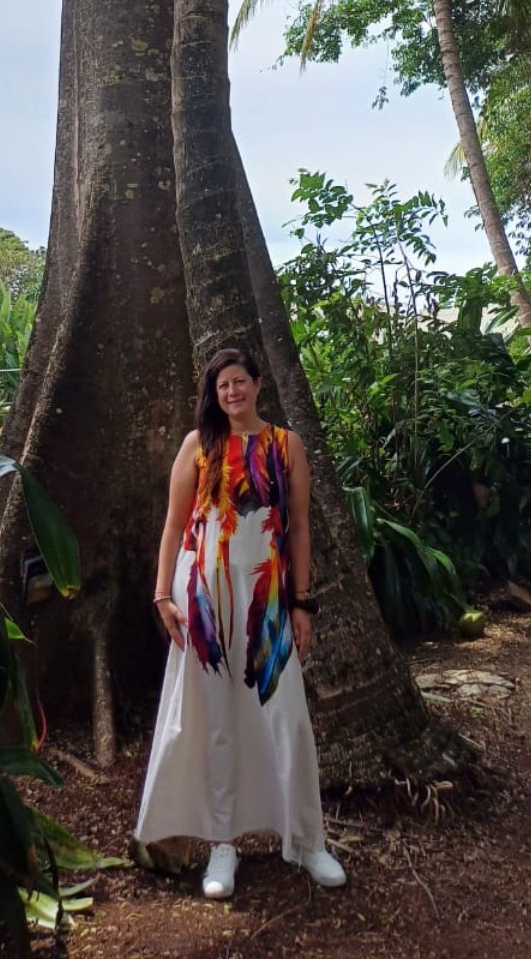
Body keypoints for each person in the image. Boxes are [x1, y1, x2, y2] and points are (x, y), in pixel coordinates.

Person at [135, 346, 346, 900]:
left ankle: (307, 840)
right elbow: (175, 526)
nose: (232, 392)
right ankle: (222, 843)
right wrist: (162, 596)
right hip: (202, 604)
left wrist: (302, 603)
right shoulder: (198, 446)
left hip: (267, 603)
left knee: (287, 717)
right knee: (218, 722)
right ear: (214, 393)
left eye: (240, 382)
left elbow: (298, 528)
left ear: (257, 384)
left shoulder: (284, 446)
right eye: (222, 385)